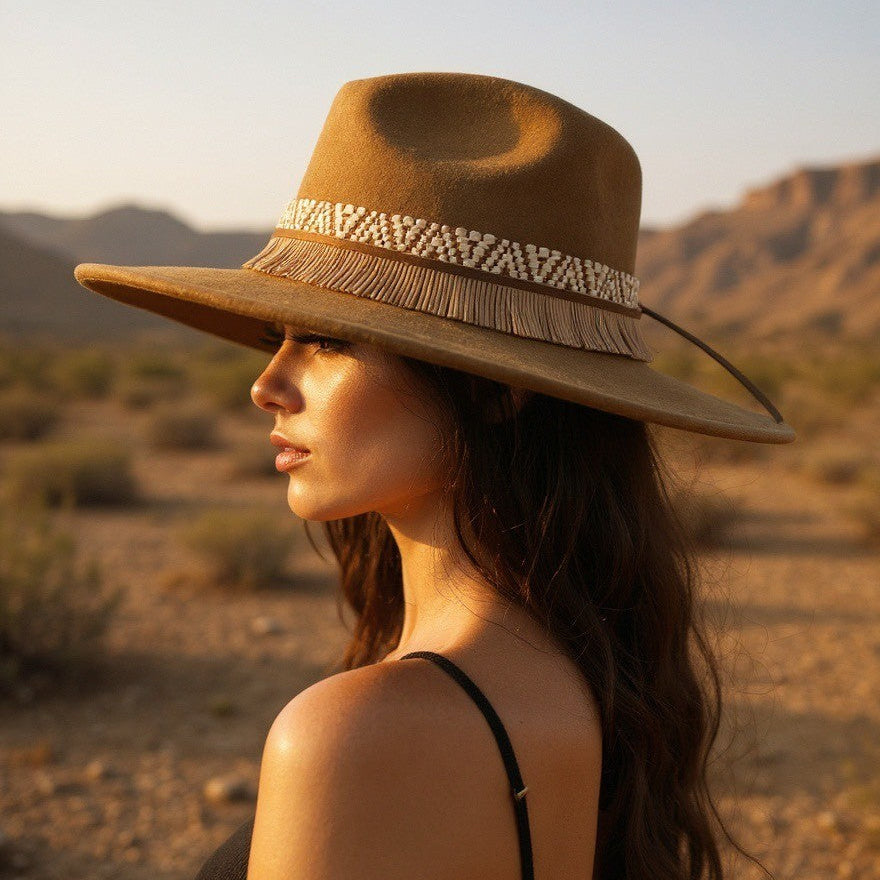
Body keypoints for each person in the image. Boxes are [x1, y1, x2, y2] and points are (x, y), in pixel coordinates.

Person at [73, 71, 793, 880]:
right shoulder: (577, 667)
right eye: (279, 334)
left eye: (328, 340)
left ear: (497, 390)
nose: (265, 384)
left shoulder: (366, 737)